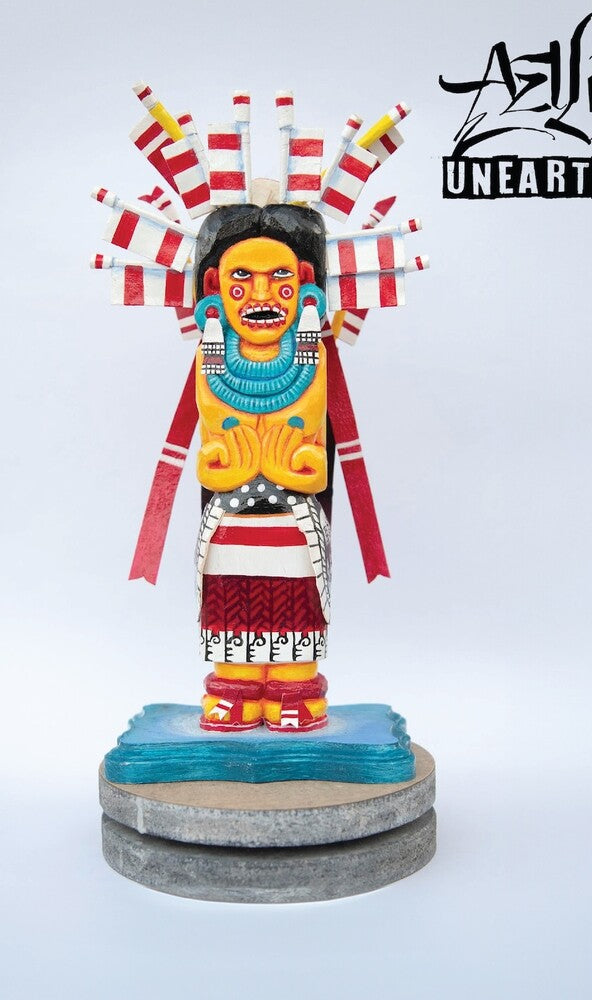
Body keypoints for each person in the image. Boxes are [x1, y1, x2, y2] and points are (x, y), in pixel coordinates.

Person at [191, 202, 332, 733]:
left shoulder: (311, 357)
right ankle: (234, 687)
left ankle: (295, 688)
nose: (262, 296)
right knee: (231, 601)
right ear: (213, 287)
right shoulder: (211, 357)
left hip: (292, 517)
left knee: (295, 603)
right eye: (241, 280)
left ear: (305, 286)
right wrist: (247, 457)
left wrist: (277, 458)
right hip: (230, 514)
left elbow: (308, 443)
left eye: (280, 280)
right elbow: (217, 440)